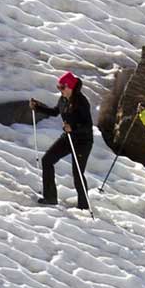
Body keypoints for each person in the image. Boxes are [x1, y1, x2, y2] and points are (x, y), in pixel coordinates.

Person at [31, 71, 95, 209]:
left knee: (77, 172)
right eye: (58, 87)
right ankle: (50, 197)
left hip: (83, 141)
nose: (60, 90)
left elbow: (87, 125)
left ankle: (84, 206)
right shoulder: (63, 99)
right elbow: (55, 111)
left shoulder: (81, 102)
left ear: (70, 87)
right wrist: (37, 108)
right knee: (47, 160)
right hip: (68, 138)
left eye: (62, 87)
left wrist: (73, 127)